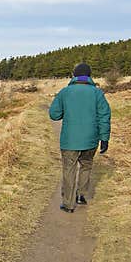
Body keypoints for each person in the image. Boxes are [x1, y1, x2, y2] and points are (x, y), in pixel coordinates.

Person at [48, 62, 111, 213]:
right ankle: (81, 195)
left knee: (69, 170)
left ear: (74, 75)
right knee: (86, 166)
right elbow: (104, 116)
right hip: (91, 140)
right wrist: (104, 139)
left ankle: (69, 204)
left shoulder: (65, 92)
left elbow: (54, 114)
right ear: (89, 76)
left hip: (69, 141)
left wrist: (67, 112)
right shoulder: (97, 93)